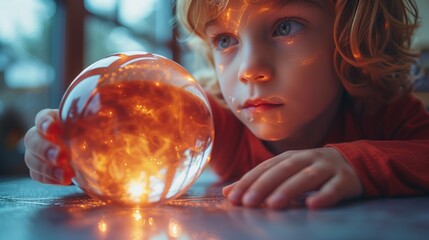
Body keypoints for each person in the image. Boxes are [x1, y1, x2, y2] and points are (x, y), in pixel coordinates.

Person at [24, 0, 429, 209]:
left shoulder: (383, 111)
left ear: (353, 37)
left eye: (285, 27)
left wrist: (361, 163)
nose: (249, 70)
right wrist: (64, 142)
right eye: (225, 40)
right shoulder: (208, 123)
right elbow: (124, 122)